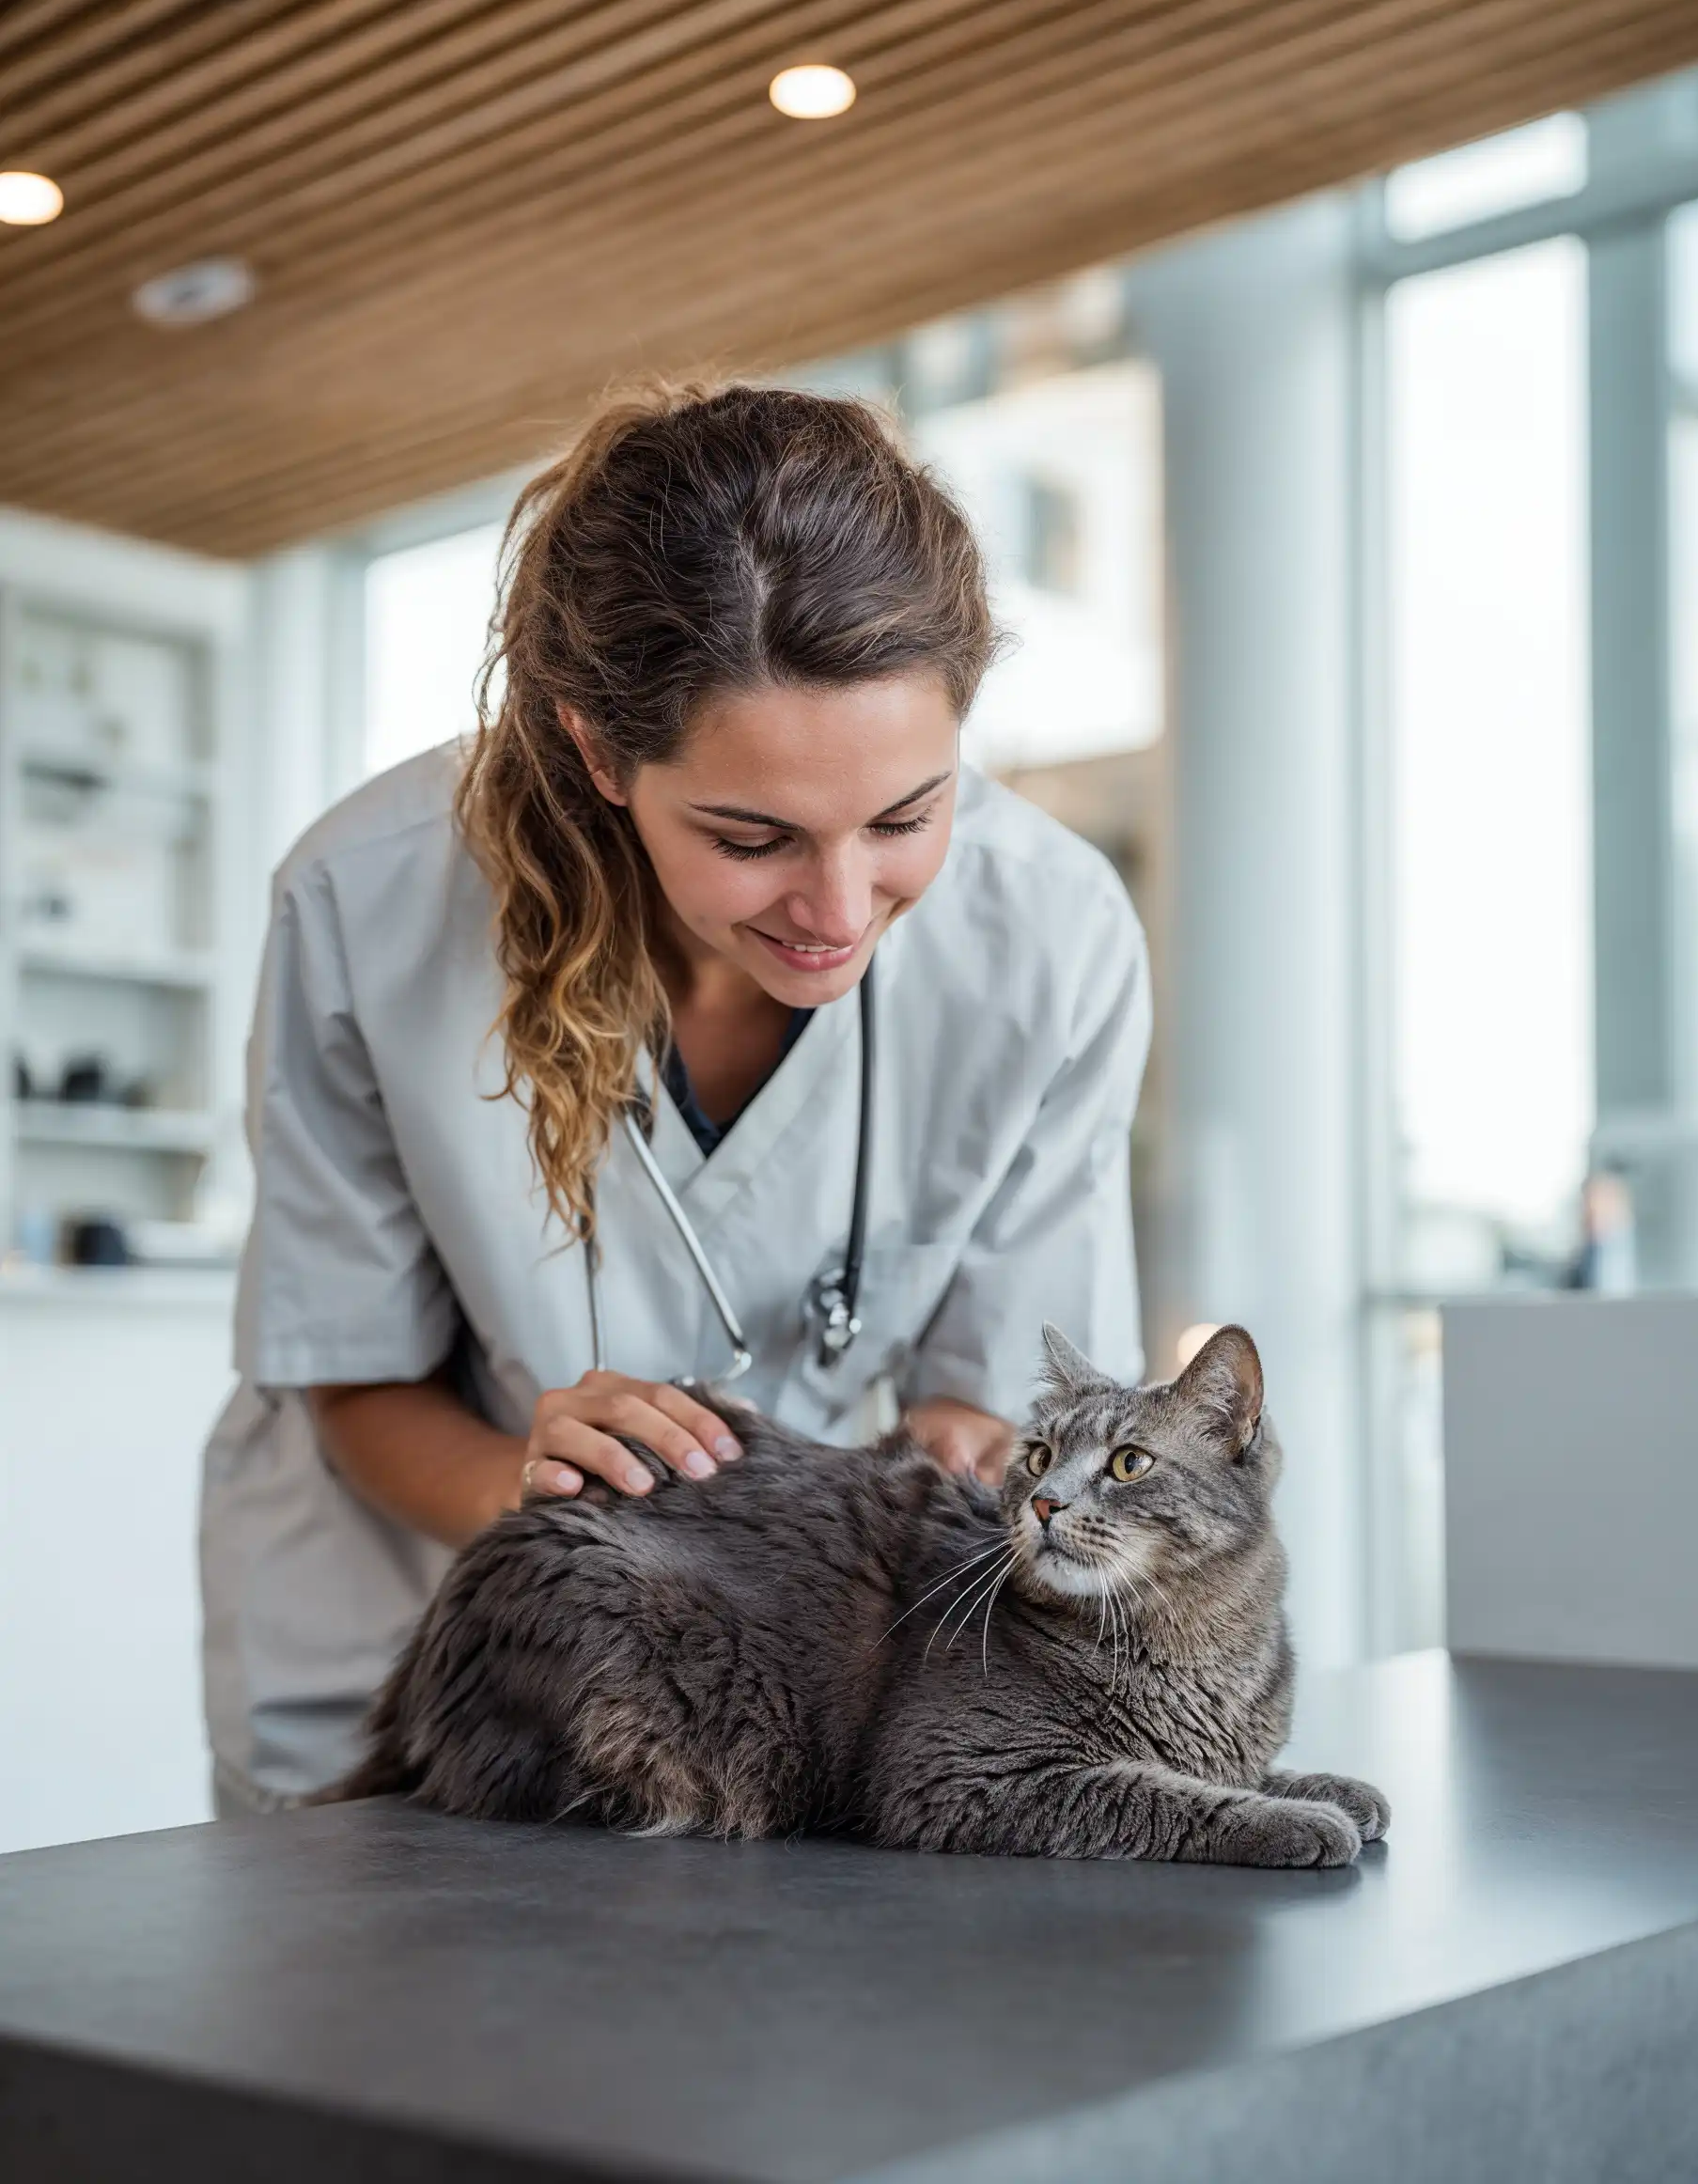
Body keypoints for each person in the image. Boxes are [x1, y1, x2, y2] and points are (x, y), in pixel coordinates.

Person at [200, 382, 1151, 1808]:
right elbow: (350, 1370)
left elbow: (988, 1387)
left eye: (907, 815)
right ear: (599, 752)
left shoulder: (1057, 938)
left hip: (767, 1679)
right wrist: (543, 1492)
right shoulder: (366, 898)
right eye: (751, 835)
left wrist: (960, 1451)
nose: (839, 906)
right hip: (406, 1647)